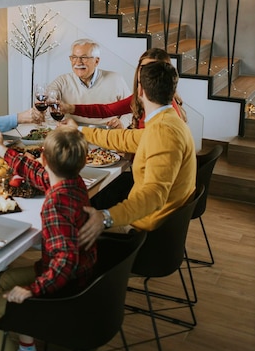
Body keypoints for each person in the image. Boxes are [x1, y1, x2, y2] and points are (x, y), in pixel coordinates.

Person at [0, 127, 97, 351]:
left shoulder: (55, 205)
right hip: (85, 275)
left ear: (43, 157)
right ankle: (28, 350)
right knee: (7, 279)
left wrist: (34, 289)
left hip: (67, 288)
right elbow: (37, 174)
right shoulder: (73, 182)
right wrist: (1, 149)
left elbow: (65, 262)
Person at [64, 60, 196, 249]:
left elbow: (153, 195)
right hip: (157, 224)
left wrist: (105, 218)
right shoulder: (169, 121)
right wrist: (81, 132)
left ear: (140, 91)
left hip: (143, 234)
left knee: (65, 227)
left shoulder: (163, 132)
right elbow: (126, 138)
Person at [59, 47, 187, 129]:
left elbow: (144, 143)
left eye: (153, 69)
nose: (145, 74)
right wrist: (70, 108)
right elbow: (106, 110)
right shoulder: (141, 97)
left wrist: (78, 130)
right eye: (143, 68)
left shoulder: (166, 113)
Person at [47, 38, 132, 127]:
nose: (78, 62)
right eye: (74, 57)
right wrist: (48, 103)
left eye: (84, 57)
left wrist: (122, 123)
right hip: (73, 132)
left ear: (96, 61)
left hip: (107, 133)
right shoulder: (62, 81)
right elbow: (48, 97)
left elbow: (132, 109)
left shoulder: (116, 79)